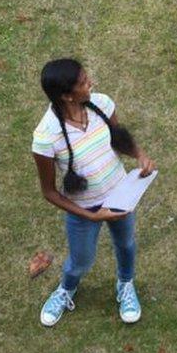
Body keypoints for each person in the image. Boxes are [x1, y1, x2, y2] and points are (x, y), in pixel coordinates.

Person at [31, 58, 156, 326]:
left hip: (120, 196)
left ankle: (125, 284)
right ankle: (66, 289)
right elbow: (49, 192)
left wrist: (140, 155)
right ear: (67, 96)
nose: (91, 84)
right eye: (84, 82)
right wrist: (91, 216)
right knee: (81, 261)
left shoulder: (101, 103)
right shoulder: (45, 137)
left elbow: (118, 137)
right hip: (84, 210)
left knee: (125, 244)